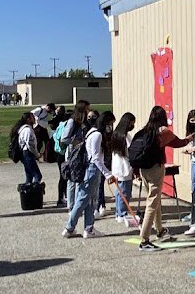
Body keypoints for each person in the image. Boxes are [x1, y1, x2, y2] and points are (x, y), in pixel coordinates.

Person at [136, 105, 191, 250]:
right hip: (155, 168)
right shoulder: (162, 132)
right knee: (152, 203)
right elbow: (178, 143)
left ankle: (159, 230)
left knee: (155, 199)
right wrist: (190, 138)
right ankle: (144, 239)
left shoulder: (144, 131)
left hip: (143, 169)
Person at [62, 110, 116, 238]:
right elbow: (96, 158)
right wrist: (108, 174)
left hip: (91, 169)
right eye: (110, 124)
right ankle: (69, 228)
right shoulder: (97, 135)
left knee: (90, 201)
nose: (110, 127)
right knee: (82, 199)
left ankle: (89, 228)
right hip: (92, 170)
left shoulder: (91, 132)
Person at [57, 101, 92, 210]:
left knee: (78, 180)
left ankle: (77, 206)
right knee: (72, 180)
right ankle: (71, 207)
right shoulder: (72, 121)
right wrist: (76, 141)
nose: (88, 111)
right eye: (87, 108)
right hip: (72, 154)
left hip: (80, 153)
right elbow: (64, 138)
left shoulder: (82, 121)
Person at [110, 112, 137, 227]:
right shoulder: (124, 137)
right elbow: (129, 152)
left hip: (117, 167)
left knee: (120, 191)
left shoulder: (116, 134)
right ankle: (121, 213)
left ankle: (119, 212)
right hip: (124, 167)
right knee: (124, 192)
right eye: (132, 123)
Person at [12, 111, 44, 186]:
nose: (34, 119)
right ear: (28, 119)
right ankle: (34, 193)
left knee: (29, 175)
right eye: (33, 117)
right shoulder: (27, 130)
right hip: (27, 154)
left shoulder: (25, 129)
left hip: (25, 154)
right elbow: (30, 145)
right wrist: (37, 154)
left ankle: (28, 191)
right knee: (37, 176)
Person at [48, 105, 70, 203]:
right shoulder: (65, 127)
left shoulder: (60, 126)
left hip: (58, 153)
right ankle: (61, 198)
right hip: (63, 153)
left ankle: (63, 196)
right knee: (64, 176)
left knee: (63, 176)